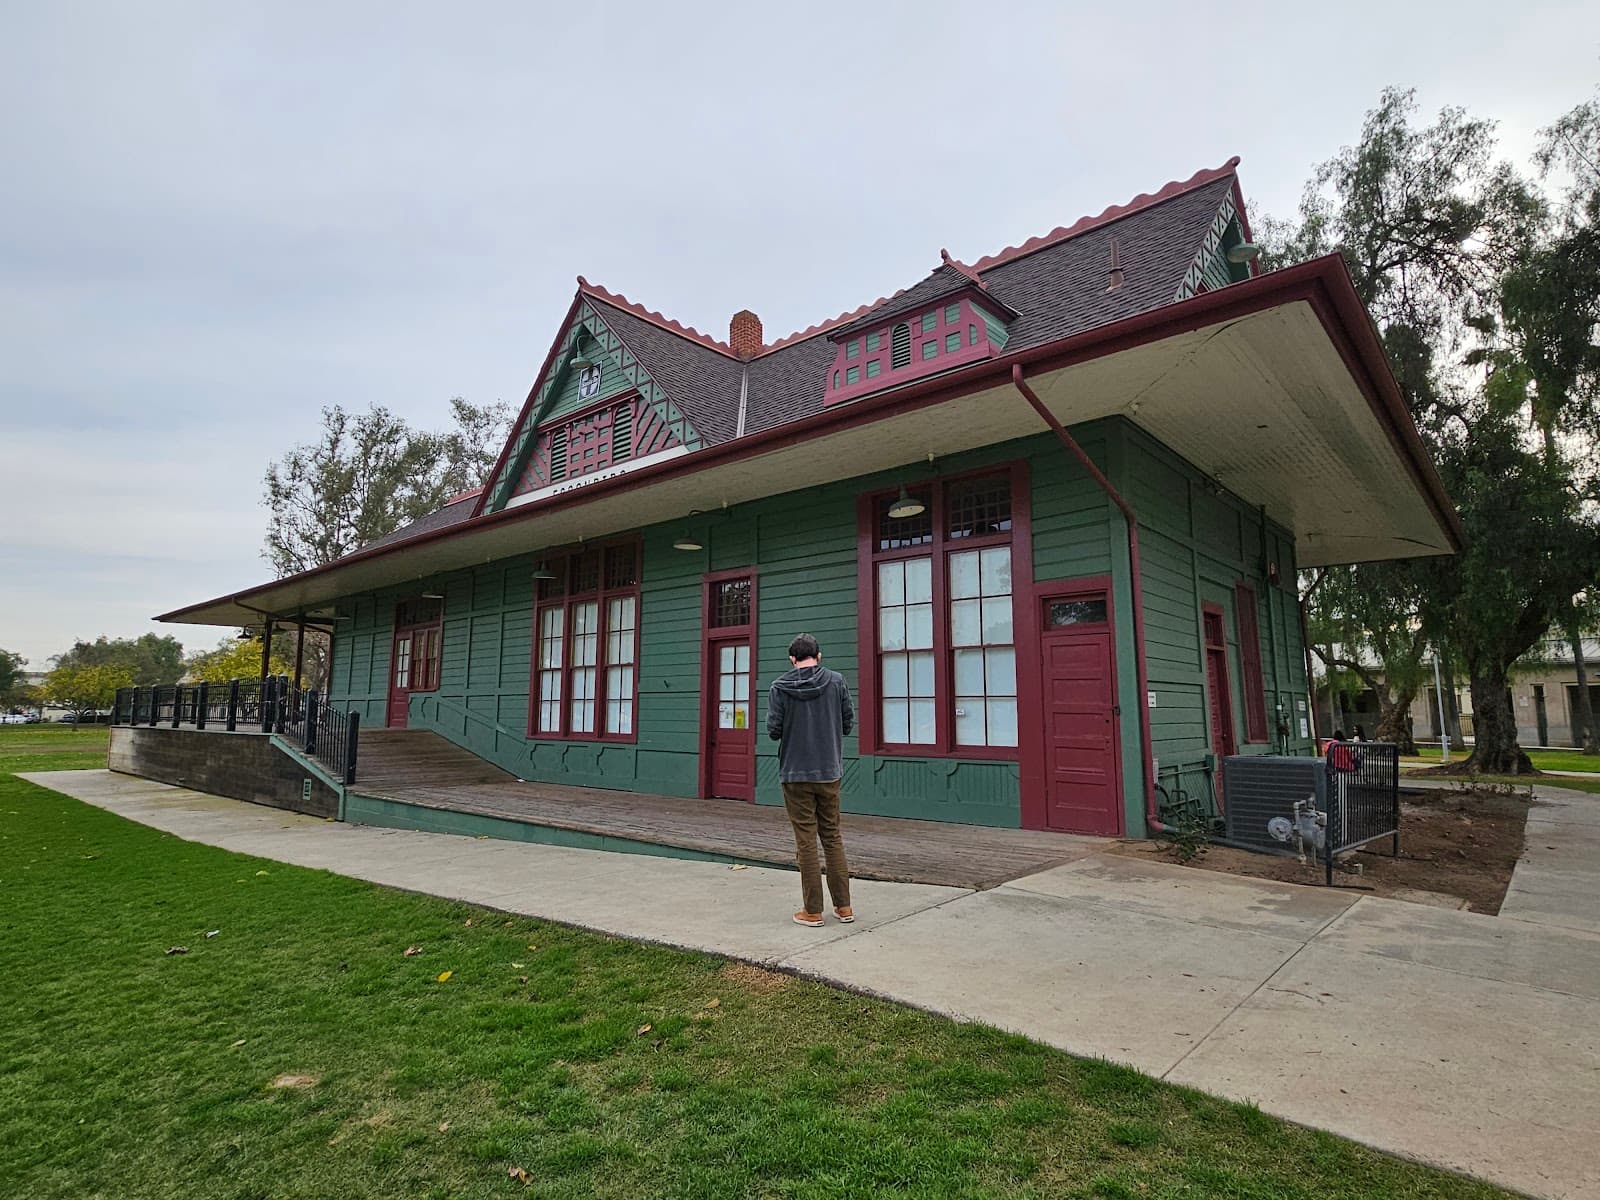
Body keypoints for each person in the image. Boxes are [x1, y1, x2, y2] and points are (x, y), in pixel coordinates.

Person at [766, 633, 854, 928]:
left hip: (794, 772)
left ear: (792, 659)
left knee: (806, 841)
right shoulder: (837, 682)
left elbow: (773, 730)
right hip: (829, 770)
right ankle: (844, 908)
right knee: (832, 836)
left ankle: (812, 911)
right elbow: (847, 723)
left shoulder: (779, 687)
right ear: (819, 655)